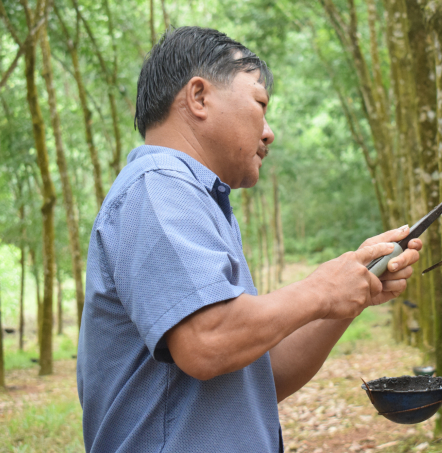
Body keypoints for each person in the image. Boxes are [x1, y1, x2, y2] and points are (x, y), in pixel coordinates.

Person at [77, 26, 422, 453]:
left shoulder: (198, 202)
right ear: (199, 97)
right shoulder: (158, 186)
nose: (269, 132)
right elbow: (208, 343)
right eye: (260, 103)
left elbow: (260, 378)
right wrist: (321, 288)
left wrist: (351, 293)